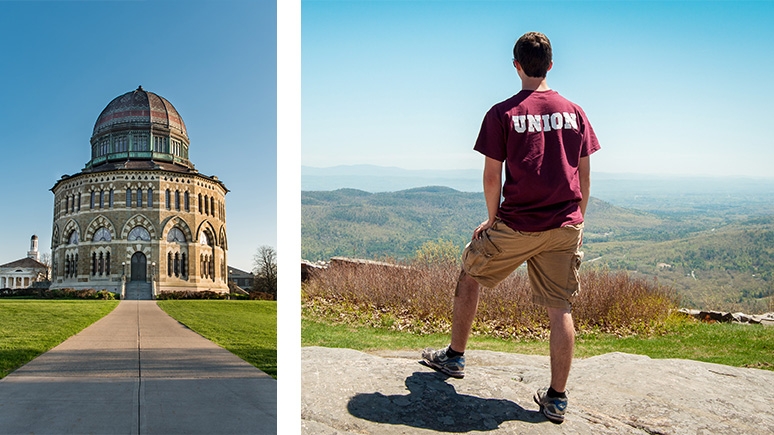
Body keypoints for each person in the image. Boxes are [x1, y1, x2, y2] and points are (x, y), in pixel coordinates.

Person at [421, 31, 600, 424]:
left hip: (517, 223)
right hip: (565, 225)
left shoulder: (502, 113)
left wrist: (492, 218)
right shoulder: (576, 112)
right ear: (551, 65)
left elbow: (491, 177)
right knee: (560, 308)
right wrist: (578, 218)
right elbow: (584, 177)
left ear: (516, 65)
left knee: (469, 272)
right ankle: (556, 399)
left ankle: (454, 357)